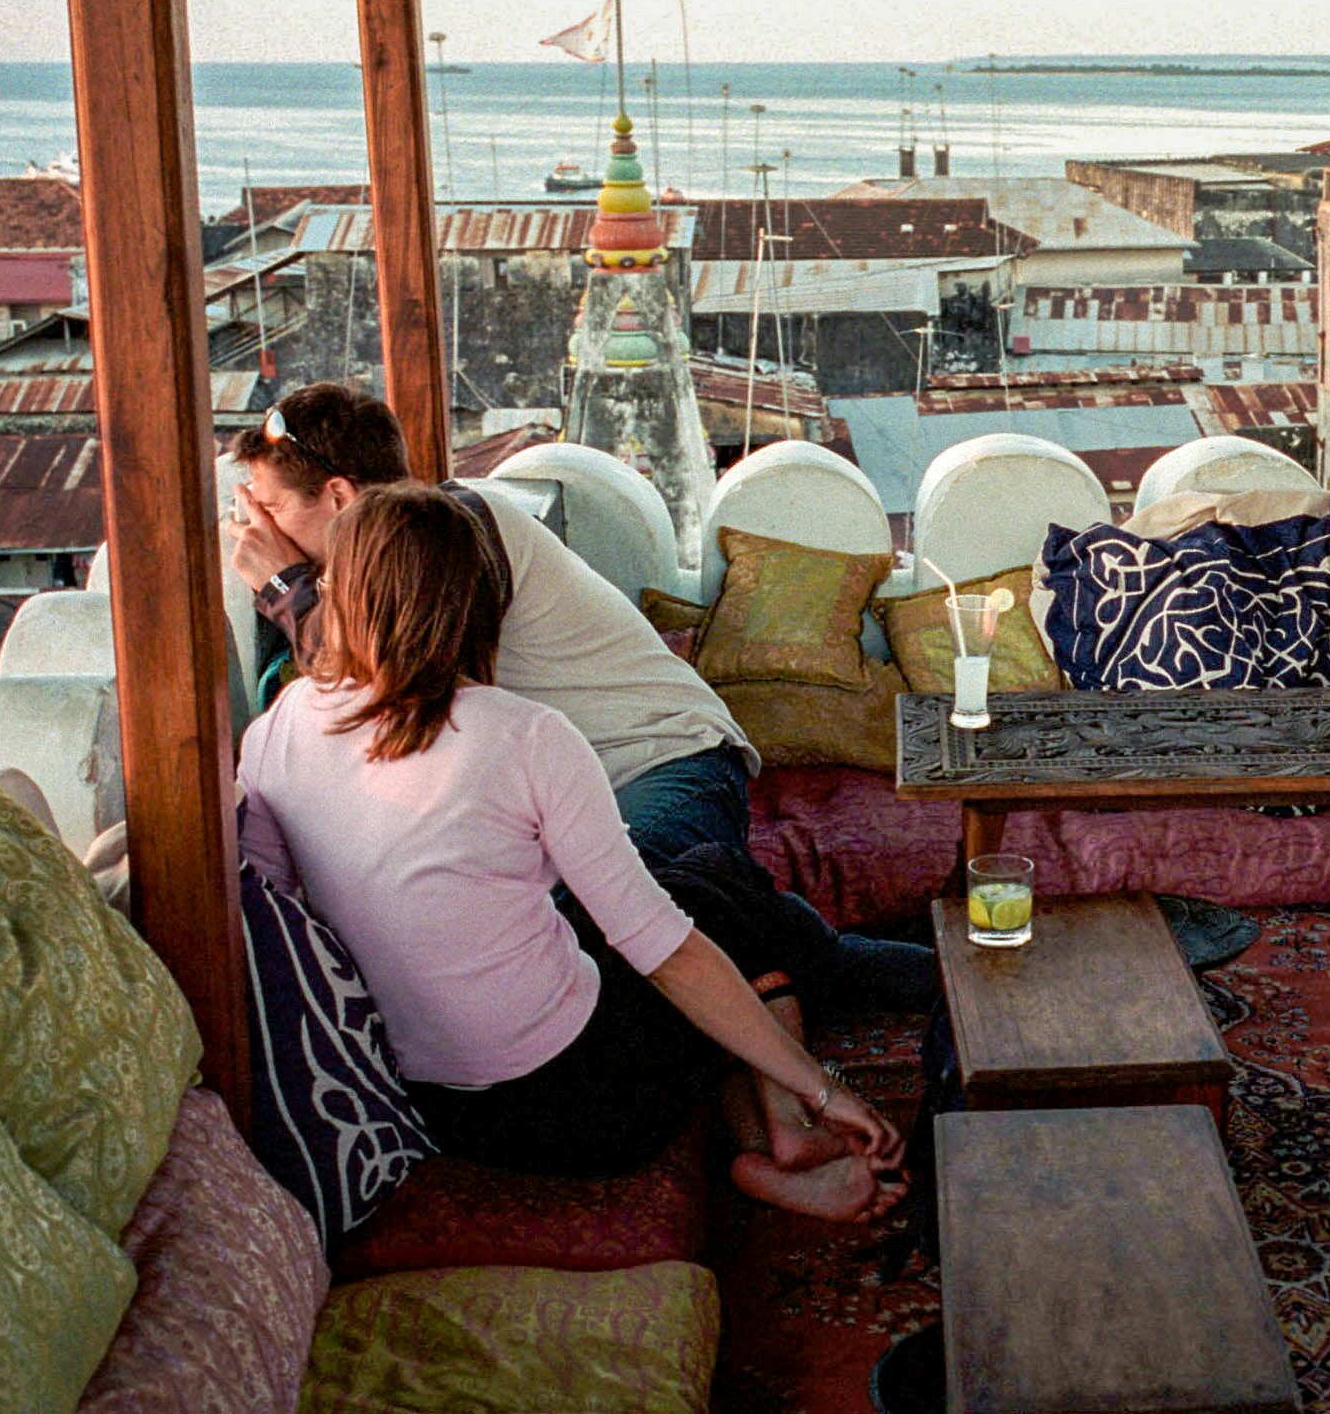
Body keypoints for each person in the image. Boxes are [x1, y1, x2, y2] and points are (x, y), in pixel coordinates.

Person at [237, 483, 905, 1217]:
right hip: (587, 1111)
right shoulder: (524, 734)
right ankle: (790, 1113)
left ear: (340, 597)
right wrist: (826, 1085)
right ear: (478, 606)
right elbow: (662, 949)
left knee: (696, 896)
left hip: (431, 1105)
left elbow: (279, 918)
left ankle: (772, 1139)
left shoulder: (275, 730)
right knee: (715, 891)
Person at [223, 382, 932, 1010]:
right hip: (586, 792)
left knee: (633, 929)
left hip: (664, 762)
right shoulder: (376, 574)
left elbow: (395, 679)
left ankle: (938, 994)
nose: (255, 528)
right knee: (707, 928)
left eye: (270, 506)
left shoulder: (461, 531)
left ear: (340, 498)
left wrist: (286, 589)